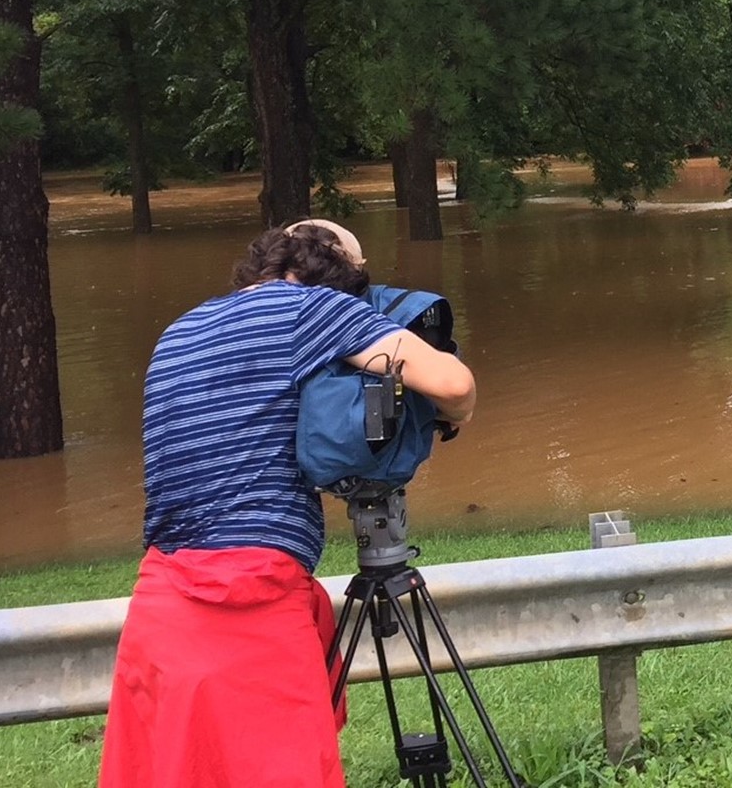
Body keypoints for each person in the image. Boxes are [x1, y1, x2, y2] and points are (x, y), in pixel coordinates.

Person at [98, 219, 476, 788]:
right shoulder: (312, 310)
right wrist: (449, 417)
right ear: (339, 280)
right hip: (251, 605)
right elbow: (453, 384)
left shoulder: (178, 329)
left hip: (161, 607)